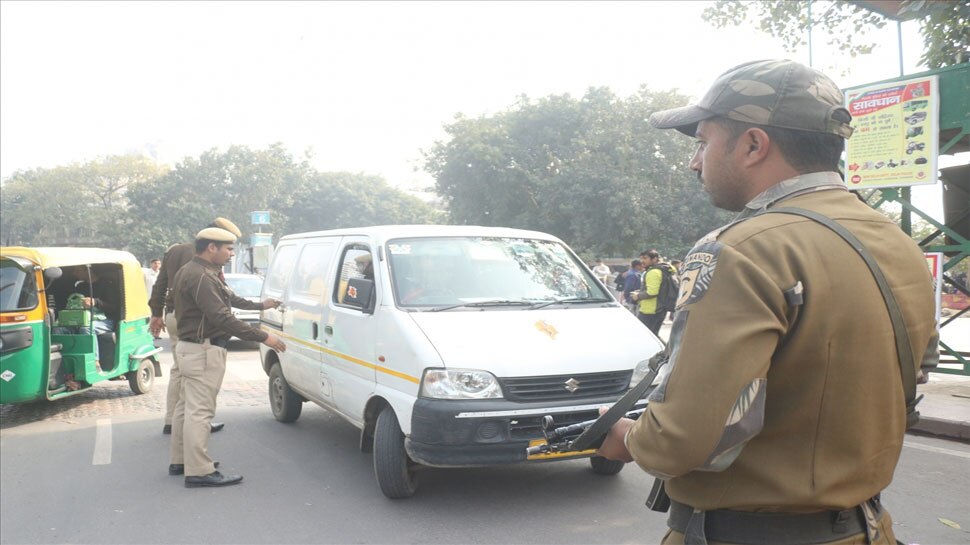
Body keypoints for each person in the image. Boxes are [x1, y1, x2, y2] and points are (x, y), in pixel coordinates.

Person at [597, 59, 937, 544]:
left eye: (703, 142)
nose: (695, 162)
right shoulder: (897, 243)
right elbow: (917, 371)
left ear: (754, 144)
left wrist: (629, 439)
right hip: (866, 529)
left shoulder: (743, 249)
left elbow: (686, 436)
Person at [169, 227, 286, 488]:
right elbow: (222, 317)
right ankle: (199, 470)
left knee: (185, 408)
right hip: (203, 350)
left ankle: (181, 461)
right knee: (200, 412)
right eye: (228, 249)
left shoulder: (193, 271)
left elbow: (229, 299)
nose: (231, 253)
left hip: (191, 348)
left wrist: (260, 305)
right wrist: (263, 336)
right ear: (211, 247)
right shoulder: (202, 276)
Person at [151, 217, 242, 435]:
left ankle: (172, 420)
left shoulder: (174, 251)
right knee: (197, 375)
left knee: (179, 370)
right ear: (214, 241)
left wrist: (156, 313)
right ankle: (196, 421)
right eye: (227, 245)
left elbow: (160, 284)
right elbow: (220, 295)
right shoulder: (208, 259)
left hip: (174, 316)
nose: (229, 252)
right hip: (198, 323)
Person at [53, 265, 120, 371]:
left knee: (86, 328)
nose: (75, 273)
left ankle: (94, 362)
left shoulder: (106, 285)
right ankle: (61, 363)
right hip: (80, 319)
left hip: (104, 321)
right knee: (58, 329)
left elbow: (113, 307)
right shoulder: (80, 287)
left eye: (77, 270)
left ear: (88, 270)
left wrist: (95, 302)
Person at [630, 249, 669, 335]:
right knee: (653, 335)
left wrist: (638, 296)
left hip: (650, 310)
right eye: (641, 258)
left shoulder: (653, 272)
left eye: (645, 258)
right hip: (659, 309)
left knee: (645, 337)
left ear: (654, 259)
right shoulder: (662, 270)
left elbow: (652, 292)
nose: (642, 261)